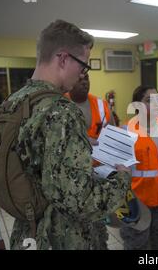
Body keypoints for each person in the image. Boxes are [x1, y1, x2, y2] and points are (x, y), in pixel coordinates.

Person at [7, 19, 131, 250]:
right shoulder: (61, 111)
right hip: (60, 237)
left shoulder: (16, 101)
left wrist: (84, 144)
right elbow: (80, 201)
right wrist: (121, 180)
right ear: (63, 59)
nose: (83, 73)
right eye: (83, 65)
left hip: (27, 231)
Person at [120, 86, 158, 250]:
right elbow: (118, 172)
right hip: (137, 202)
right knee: (136, 245)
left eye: (157, 99)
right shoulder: (125, 131)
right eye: (149, 100)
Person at [66, 73, 115, 144]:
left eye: (86, 78)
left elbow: (113, 137)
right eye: (80, 79)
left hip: (98, 153)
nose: (84, 82)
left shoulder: (102, 105)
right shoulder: (59, 102)